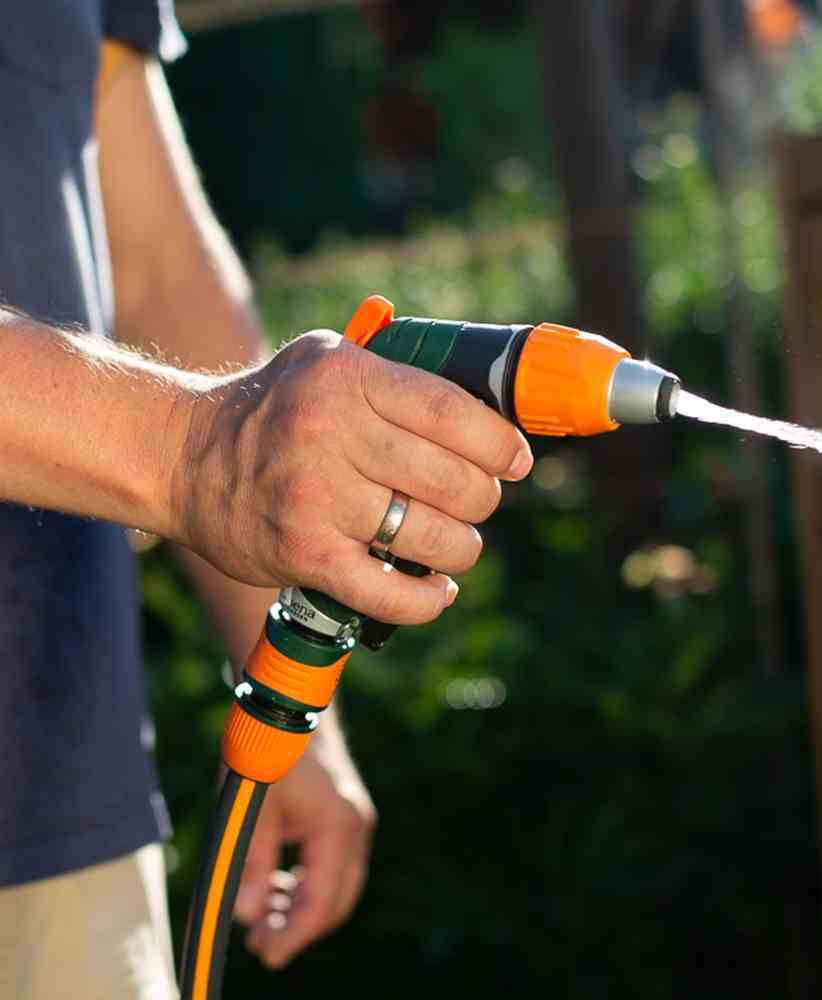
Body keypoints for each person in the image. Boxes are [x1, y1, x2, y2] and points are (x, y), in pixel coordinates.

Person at [0, 4, 533, 998]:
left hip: (68, 802)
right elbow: (206, 437)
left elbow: (159, 266)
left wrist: (288, 699)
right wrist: (194, 451)